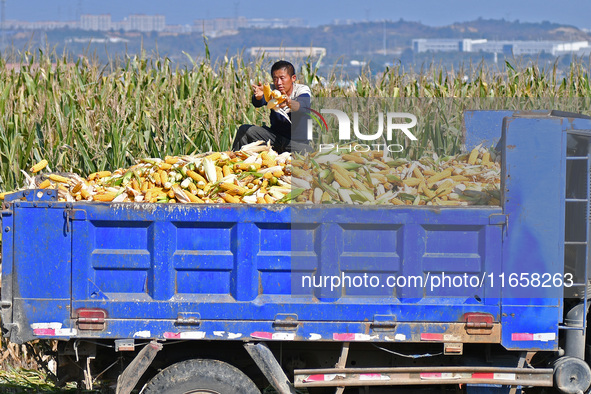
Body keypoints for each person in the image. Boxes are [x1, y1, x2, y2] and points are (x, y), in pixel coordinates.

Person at [232, 60, 312, 153]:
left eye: (282, 78)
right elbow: (258, 102)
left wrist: (289, 102)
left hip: (296, 144)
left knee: (307, 152)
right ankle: (235, 159)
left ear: (293, 78)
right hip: (274, 139)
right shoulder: (273, 90)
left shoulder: (301, 90)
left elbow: (302, 106)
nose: (278, 83)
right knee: (245, 130)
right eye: (275, 79)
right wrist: (258, 97)